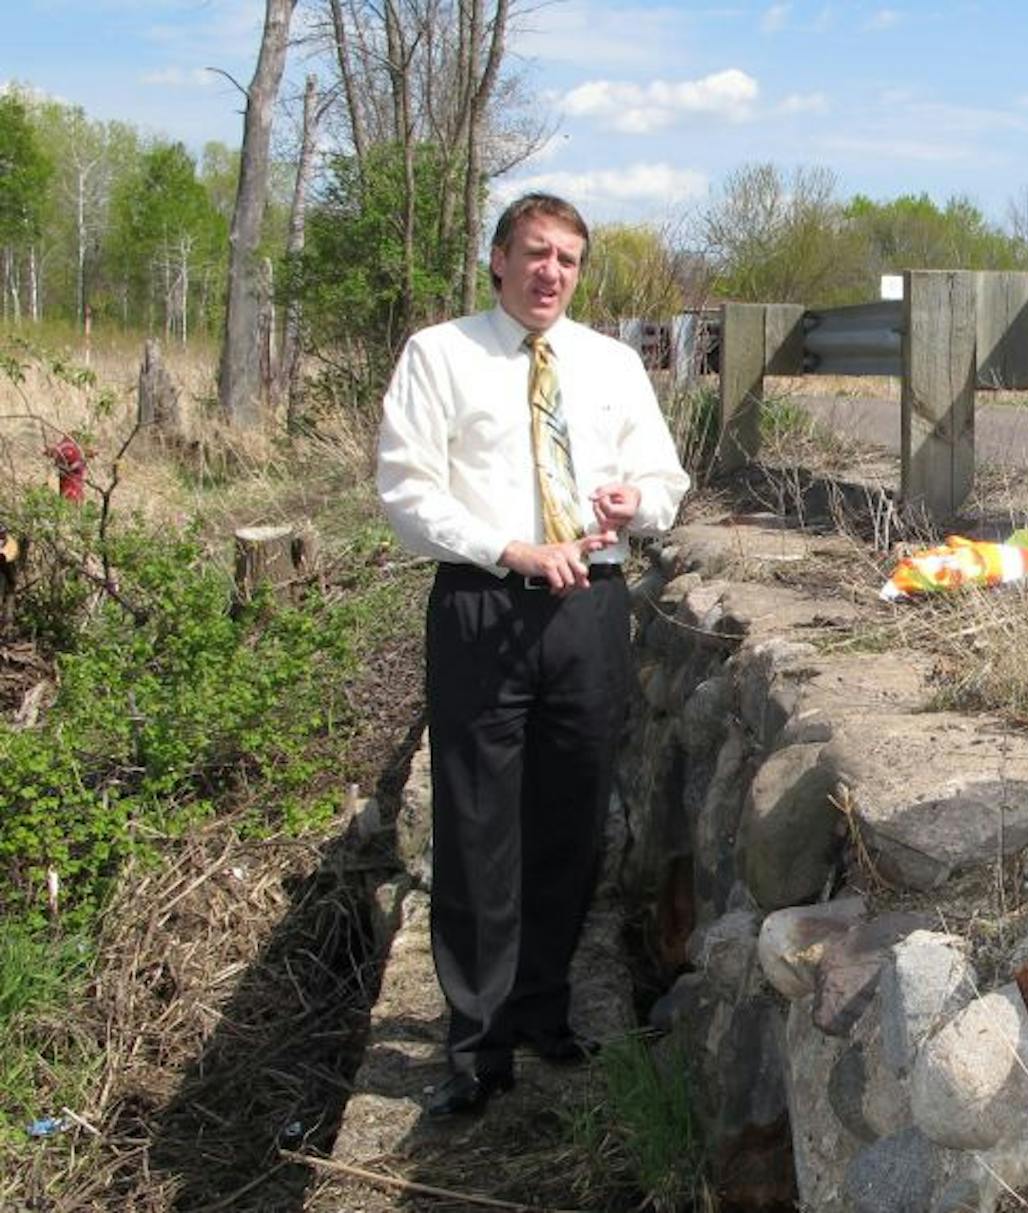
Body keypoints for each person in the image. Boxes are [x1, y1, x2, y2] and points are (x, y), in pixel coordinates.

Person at [376, 193, 689, 1118]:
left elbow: (668, 478)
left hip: (588, 610)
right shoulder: (441, 355)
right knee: (476, 830)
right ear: (499, 260)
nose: (553, 272)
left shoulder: (612, 364)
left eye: (570, 259)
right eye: (536, 253)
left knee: (571, 822)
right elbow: (404, 491)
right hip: (484, 605)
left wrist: (643, 503)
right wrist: (508, 547)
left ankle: (542, 1009)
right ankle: (474, 1048)